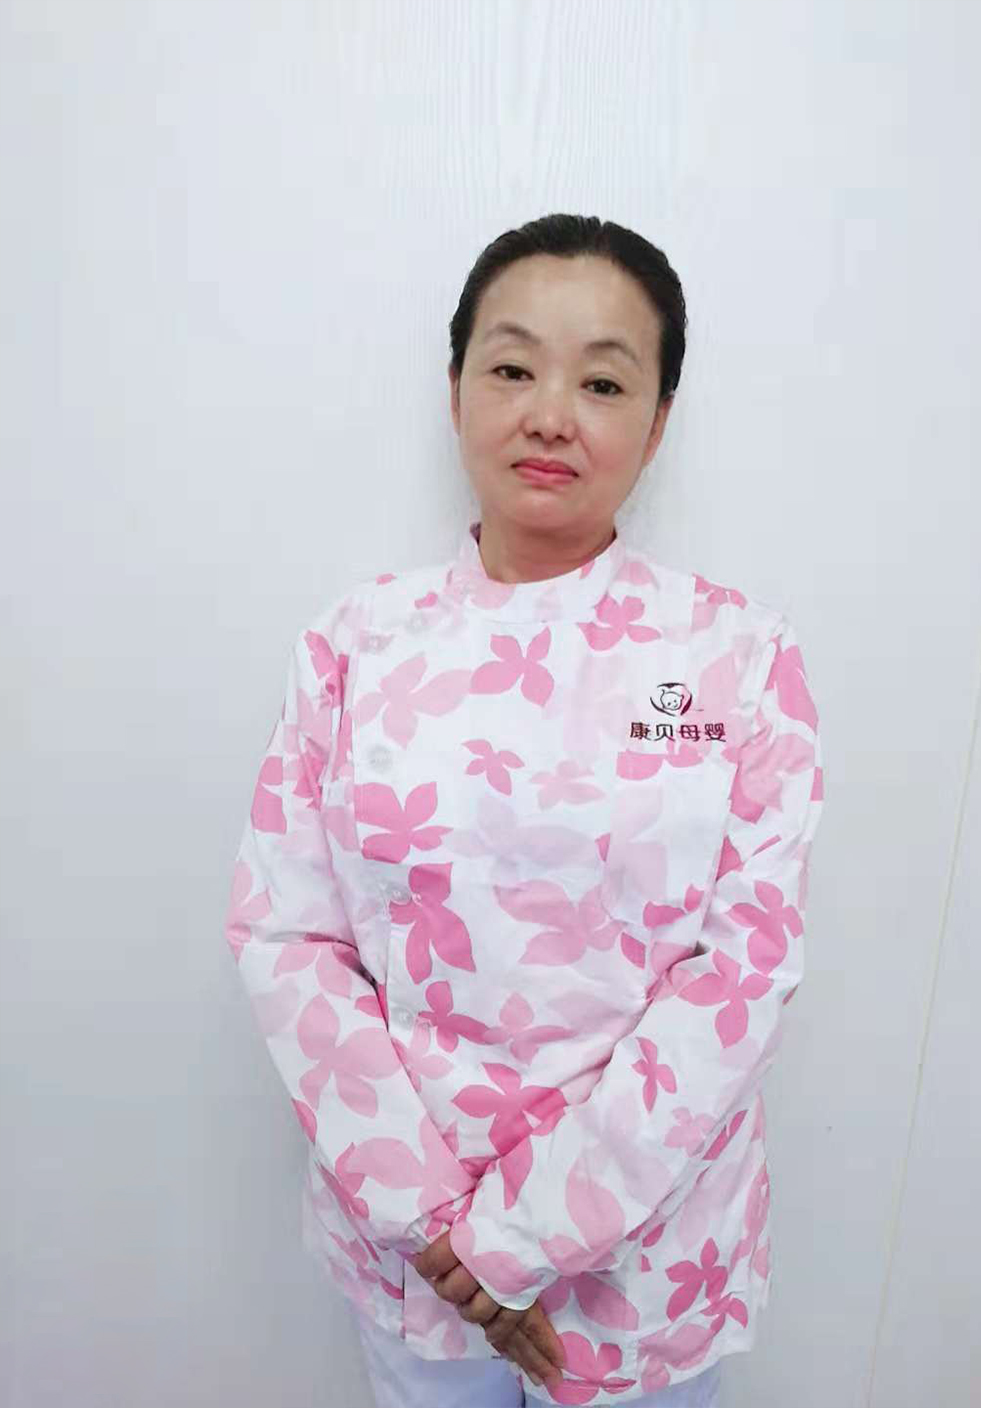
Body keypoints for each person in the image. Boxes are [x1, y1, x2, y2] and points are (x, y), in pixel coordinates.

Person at [223, 213, 825, 1406]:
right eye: (511, 368)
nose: (551, 414)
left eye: (602, 381)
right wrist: (440, 1227)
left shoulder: (738, 656)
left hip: (644, 1262)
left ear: (657, 422)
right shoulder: (354, 645)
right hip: (418, 1259)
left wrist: (526, 1234)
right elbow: (287, 935)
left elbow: (743, 971)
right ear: (454, 391)